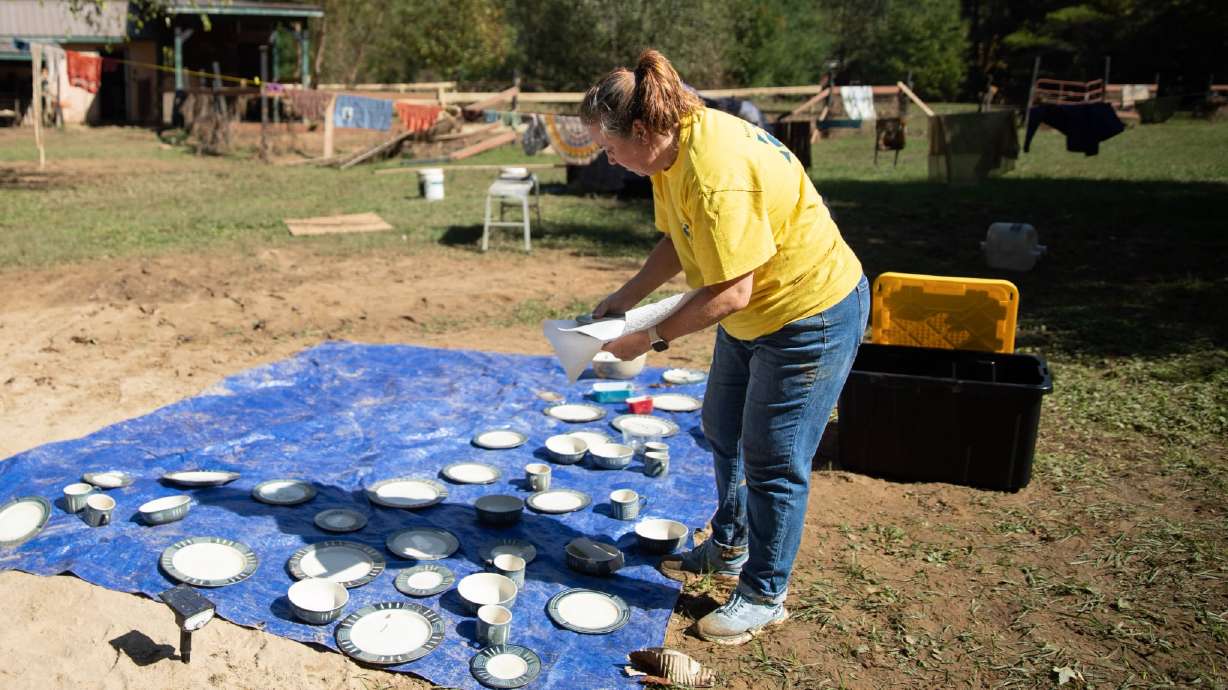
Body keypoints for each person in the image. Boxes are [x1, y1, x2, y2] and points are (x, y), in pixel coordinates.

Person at [581, 49, 869, 646]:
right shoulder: (672, 152)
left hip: (809, 314)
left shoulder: (715, 172)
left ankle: (765, 594)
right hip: (757, 315)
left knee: (773, 458)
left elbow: (734, 290)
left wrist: (650, 335)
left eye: (609, 148)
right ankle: (730, 547)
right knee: (721, 426)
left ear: (640, 130)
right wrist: (626, 295)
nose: (606, 159)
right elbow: (679, 240)